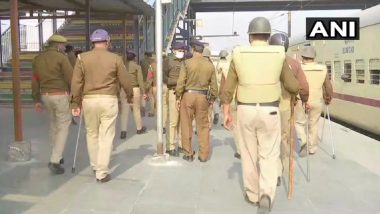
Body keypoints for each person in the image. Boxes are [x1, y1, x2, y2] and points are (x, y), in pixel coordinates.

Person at [220, 17, 300, 213]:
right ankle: (266, 193)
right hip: (271, 110)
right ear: (268, 35)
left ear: (250, 36)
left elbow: (227, 89)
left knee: (248, 153)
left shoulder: (238, 54)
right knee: (269, 154)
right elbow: (291, 85)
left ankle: (253, 194)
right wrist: (295, 94)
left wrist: (226, 111)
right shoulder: (279, 54)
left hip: (246, 110)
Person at [71, 29, 133, 183]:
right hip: (108, 100)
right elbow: (125, 80)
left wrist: (75, 103)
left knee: (91, 134)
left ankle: (94, 165)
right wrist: (130, 95)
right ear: (107, 41)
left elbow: (76, 82)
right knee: (106, 136)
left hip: (89, 100)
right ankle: (102, 172)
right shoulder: (115, 59)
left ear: (93, 42)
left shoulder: (81, 58)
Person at [268, 33, 309, 186]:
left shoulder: (264, 61)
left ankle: (273, 170)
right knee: (283, 139)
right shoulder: (294, 63)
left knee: (269, 139)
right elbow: (303, 87)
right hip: (285, 105)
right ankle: (281, 169)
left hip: (266, 105)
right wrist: (303, 100)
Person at [31, 34, 73, 174]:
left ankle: (56, 154)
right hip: (60, 95)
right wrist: (76, 96)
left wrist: (36, 99)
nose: (64, 47)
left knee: (54, 125)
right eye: (63, 45)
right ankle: (55, 160)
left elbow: (35, 80)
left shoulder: (38, 59)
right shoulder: (62, 57)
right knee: (63, 126)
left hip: (45, 96)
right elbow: (70, 78)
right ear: (58, 45)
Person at [175, 40, 218, 162]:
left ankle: (188, 153)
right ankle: (203, 155)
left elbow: (181, 82)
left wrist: (178, 96)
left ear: (193, 50)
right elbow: (214, 87)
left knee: (186, 124)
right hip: (203, 97)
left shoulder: (186, 63)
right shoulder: (210, 65)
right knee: (203, 126)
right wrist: (212, 99)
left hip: (187, 96)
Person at [295, 46, 333, 156]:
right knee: (314, 124)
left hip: (301, 99)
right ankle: (312, 148)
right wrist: (328, 97)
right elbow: (328, 86)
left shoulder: (298, 68)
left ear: (303, 57)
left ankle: (303, 141)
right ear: (314, 57)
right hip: (317, 101)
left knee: (299, 122)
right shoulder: (323, 68)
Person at [164, 42, 186, 156]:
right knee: (173, 121)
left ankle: (181, 145)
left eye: (182, 50)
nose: (181, 52)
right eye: (179, 50)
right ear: (174, 50)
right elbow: (163, 76)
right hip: (173, 92)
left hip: (184, 93)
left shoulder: (185, 61)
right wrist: (174, 82)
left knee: (182, 121)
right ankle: (170, 146)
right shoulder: (168, 61)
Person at [119, 49, 148, 139]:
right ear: (134, 58)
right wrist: (143, 92)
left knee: (124, 111)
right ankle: (139, 128)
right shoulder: (137, 67)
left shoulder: (122, 67)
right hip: (135, 89)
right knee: (136, 109)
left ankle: (123, 131)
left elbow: (119, 79)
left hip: (124, 89)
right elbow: (140, 81)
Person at [217, 50, 241, 159]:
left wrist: (223, 100)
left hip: (232, 100)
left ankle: (240, 151)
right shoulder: (247, 65)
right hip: (247, 100)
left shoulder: (225, 67)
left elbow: (225, 87)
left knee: (236, 126)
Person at [202, 47, 217, 129]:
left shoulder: (197, 64)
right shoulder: (211, 65)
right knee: (209, 110)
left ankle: (196, 127)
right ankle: (209, 125)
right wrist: (213, 97)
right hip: (208, 92)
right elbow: (213, 83)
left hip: (198, 92)